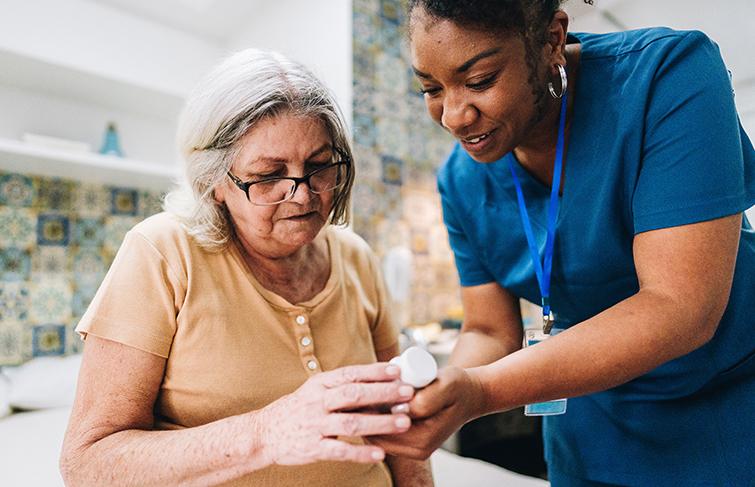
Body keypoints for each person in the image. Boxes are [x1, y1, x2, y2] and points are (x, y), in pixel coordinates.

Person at [371, 1, 755, 486]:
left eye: (480, 80)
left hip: (722, 415)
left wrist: (482, 391)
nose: (453, 115)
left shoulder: (668, 77)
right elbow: (490, 331)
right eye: (430, 88)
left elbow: (681, 306)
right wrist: (434, 392)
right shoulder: (461, 181)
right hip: (586, 427)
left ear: (551, 39)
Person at [60, 49, 433, 487]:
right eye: (269, 174)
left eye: (319, 166)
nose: (304, 195)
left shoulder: (355, 257)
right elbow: (86, 463)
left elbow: (399, 424)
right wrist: (266, 433)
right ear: (215, 182)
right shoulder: (162, 252)